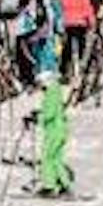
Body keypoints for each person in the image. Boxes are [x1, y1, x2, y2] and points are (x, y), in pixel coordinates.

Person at [33, 69, 74, 197]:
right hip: (60, 130)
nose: (40, 87)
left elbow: (49, 113)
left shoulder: (51, 93)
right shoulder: (56, 91)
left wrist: (37, 117)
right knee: (56, 158)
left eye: (40, 83)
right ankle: (64, 185)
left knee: (47, 157)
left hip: (54, 130)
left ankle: (49, 186)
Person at [57, 0, 97, 83]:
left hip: (66, 24)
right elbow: (88, 9)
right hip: (80, 24)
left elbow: (58, 9)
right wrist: (92, 21)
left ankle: (64, 70)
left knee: (67, 47)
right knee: (81, 44)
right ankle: (81, 66)